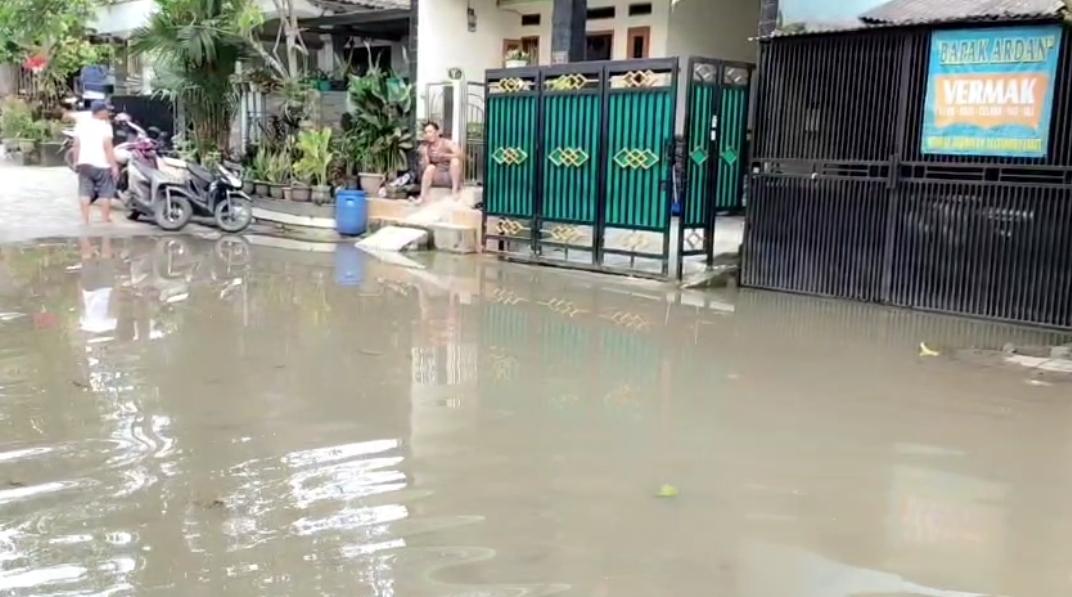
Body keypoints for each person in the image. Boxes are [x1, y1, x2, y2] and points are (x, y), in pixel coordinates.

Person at [73, 100, 119, 225]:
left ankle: (85, 220)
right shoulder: (105, 127)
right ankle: (105, 219)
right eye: (106, 110)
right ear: (100, 112)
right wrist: (114, 166)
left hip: (84, 163)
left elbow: (76, 145)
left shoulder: (81, 125)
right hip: (102, 164)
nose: (108, 113)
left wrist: (76, 161)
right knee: (105, 193)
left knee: (84, 192)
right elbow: (108, 147)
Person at [418, 121, 463, 201]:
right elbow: (425, 168)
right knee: (430, 167)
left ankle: (455, 191)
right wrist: (425, 155)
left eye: (430, 132)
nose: (428, 134)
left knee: (455, 161)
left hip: (450, 176)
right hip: (437, 177)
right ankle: (422, 197)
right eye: (426, 132)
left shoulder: (447, 143)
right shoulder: (426, 147)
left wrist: (444, 155)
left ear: (437, 132)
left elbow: (460, 155)